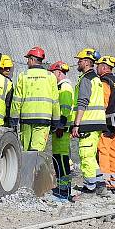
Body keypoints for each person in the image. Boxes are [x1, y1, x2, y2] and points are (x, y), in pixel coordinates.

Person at [70, 48, 108, 194]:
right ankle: (99, 184)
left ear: (86, 62)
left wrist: (76, 124)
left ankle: (90, 187)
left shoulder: (86, 79)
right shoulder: (97, 79)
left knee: (85, 155)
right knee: (91, 156)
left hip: (88, 123)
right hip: (97, 123)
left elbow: (82, 102)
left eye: (79, 61)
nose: (78, 63)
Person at [9, 47, 59, 152]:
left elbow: (16, 101)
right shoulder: (50, 77)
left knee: (26, 151)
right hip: (44, 120)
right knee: (37, 151)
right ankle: (34, 169)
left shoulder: (23, 76)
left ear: (32, 59)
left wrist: (13, 121)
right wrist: (55, 122)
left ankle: (25, 169)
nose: (27, 62)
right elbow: (55, 102)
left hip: (26, 120)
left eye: (28, 59)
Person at [96, 55, 115, 192]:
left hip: (107, 121)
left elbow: (103, 103)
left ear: (103, 67)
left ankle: (105, 181)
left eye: (98, 66)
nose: (96, 68)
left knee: (103, 150)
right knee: (113, 151)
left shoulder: (105, 81)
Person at [47, 61, 74, 201]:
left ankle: (64, 191)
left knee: (62, 160)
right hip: (60, 129)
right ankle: (61, 187)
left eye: (52, 73)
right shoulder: (61, 87)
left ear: (58, 72)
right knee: (57, 158)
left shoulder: (65, 87)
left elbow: (65, 108)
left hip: (62, 129)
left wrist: (61, 125)